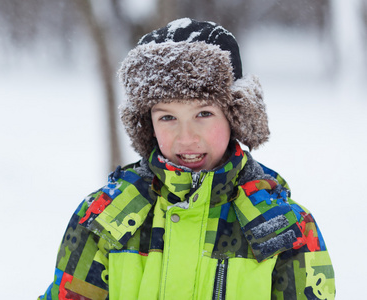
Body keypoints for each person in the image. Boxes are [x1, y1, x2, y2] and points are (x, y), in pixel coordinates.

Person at [38, 18, 335, 300]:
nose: (186, 137)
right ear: (147, 124)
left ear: (236, 115)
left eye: (203, 114)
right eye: (167, 117)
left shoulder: (284, 226)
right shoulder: (104, 217)